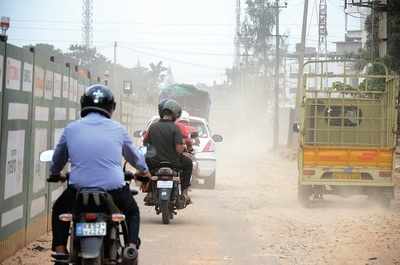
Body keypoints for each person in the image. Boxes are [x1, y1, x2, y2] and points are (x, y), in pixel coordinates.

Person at [50, 84, 150, 260]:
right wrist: (144, 172)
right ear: (111, 107)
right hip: (114, 191)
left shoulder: (71, 129)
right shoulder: (118, 129)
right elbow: (135, 157)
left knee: (59, 208)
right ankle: (131, 248)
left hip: (78, 191)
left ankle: (60, 250)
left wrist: (55, 173)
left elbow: (58, 159)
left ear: (84, 104)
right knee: (132, 212)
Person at [144, 99, 193, 203]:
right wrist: (184, 148)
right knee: (188, 163)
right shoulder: (175, 128)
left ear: (162, 112)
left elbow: (145, 143)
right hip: (174, 163)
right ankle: (184, 193)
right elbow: (179, 149)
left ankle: (149, 192)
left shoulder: (152, 127)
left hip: (154, 162)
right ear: (176, 114)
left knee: (145, 163)